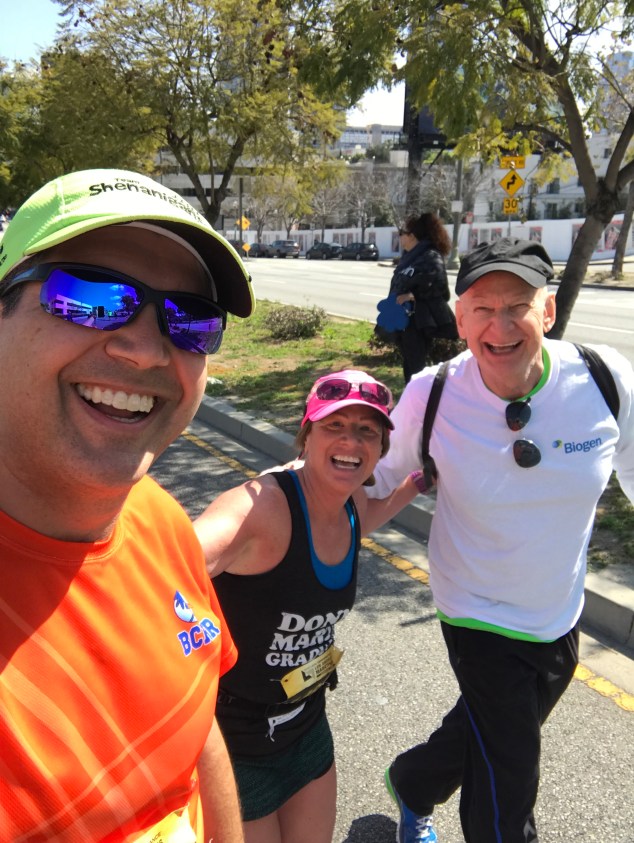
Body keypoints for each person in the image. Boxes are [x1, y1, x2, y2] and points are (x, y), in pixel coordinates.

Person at [0, 167, 257, 842]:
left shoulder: (159, 518)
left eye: (189, 320)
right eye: (89, 296)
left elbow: (194, 729)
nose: (145, 351)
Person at [368, 238, 634, 843]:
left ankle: (413, 781)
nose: (501, 326)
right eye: (483, 309)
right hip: (475, 610)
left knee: (492, 731)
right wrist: (281, 500)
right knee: (507, 778)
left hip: (558, 610)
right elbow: (369, 480)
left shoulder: (603, 379)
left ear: (549, 311)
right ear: (460, 319)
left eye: (518, 306)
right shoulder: (431, 395)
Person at [194, 370, 425, 843]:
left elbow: (365, 521)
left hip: (306, 721)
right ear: (307, 435)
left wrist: (415, 485)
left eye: (366, 431)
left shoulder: (350, 502)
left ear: (381, 447)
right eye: (333, 426)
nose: (351, 441)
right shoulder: (260, 509)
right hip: (236, 737)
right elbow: (159, 571)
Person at [389, 212, 456, 383]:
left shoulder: (430, 255)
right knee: (409, 363)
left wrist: (412, 296)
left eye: (401, 233)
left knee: (416, 366)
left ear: (412, 236)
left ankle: (419, 395)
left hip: (419, 321)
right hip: (403, 319)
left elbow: (441, 288)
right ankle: (412, 393)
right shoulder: (409, 257)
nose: (400, 237)